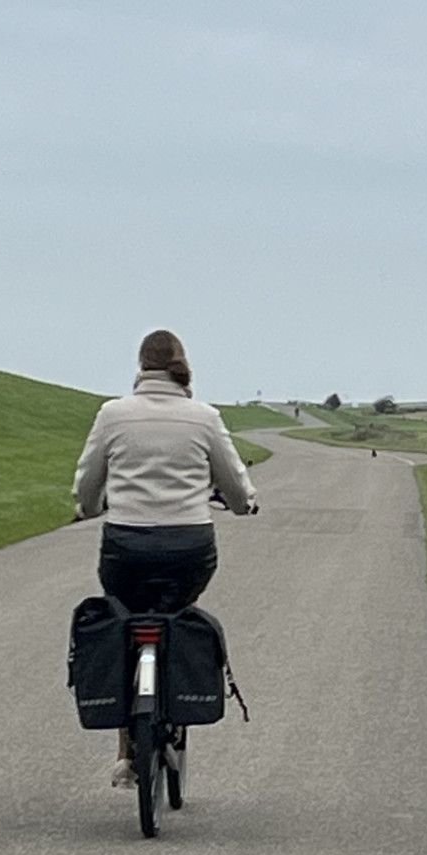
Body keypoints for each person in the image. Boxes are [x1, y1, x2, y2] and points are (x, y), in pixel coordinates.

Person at [72, 329, 259, 783]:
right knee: (175, 614)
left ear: (140, 367)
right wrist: (243, 503)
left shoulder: (112, 414)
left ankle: (125, 750)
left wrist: (89, 507)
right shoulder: (204, 417)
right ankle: (175, 709)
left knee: (126, 624)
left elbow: (88, 480)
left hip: (125, 550)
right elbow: (234, 481)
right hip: (189, 550)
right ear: (182, 367)